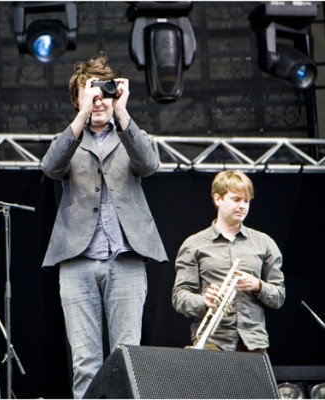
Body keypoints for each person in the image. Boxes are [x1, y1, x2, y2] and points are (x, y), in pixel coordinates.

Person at [41, 52, 168, 399]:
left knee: (127, 357)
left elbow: (150, 163)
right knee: (85, 362)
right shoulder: (69, 138)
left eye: (103, 93)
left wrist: (122, 110)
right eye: (89, 93)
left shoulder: (127, 133)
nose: (98, 100)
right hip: (77, 260)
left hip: (125, 258)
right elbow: (50, 167)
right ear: (77, 99)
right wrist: (83, 113)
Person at [172, 170, 285, 352]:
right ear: (218, 199)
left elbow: (279, 296)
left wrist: (258, 285)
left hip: (253, 341)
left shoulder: (264, 243)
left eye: (246, 201)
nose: (242, 206)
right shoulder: (194, 244)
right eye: (236, 199)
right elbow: (179, 296)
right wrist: (204, 300)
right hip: (213, 340)